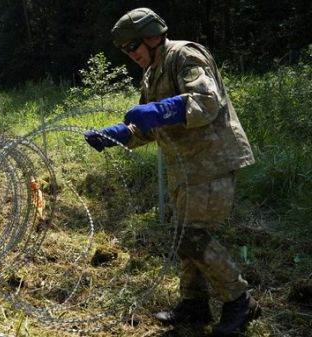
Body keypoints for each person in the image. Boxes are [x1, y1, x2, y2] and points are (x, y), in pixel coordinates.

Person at [84, 8, 260, 336]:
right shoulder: (151, 74)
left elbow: (206, 101)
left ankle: (239, 301)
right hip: (186, 166)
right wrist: (118, 134)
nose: (130, 55)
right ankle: (194, 304)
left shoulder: (185, 56)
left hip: (212, 161)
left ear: (153, 37)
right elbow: (148, 128)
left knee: (194, 236)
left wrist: (161, 109)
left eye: (132, 46)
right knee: (184, 235)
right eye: (124, 50)